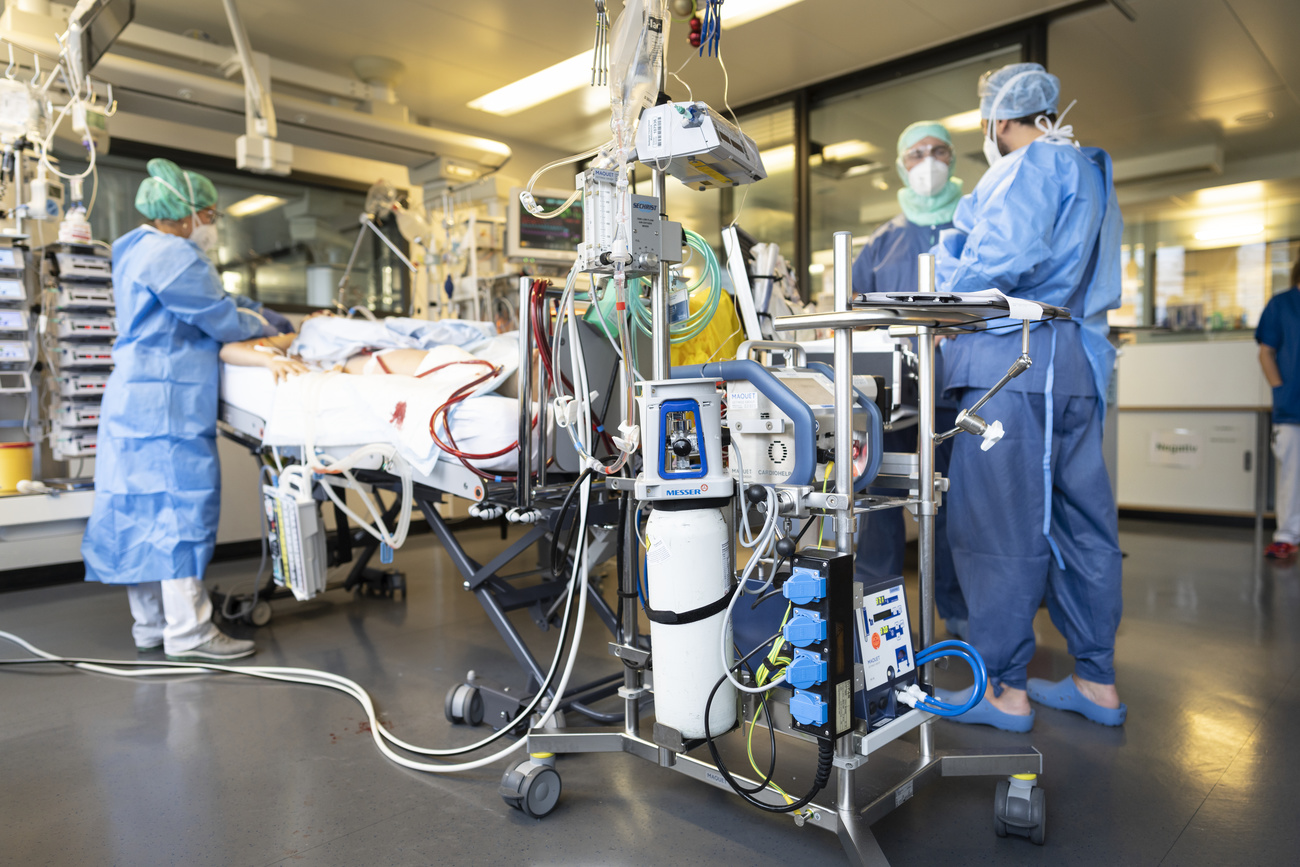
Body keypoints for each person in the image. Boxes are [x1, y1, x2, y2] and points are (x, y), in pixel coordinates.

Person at [931, 63, 1126, 730]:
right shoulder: (1090, 167)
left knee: (997, 526)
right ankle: (1097, 679)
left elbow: (995, 260)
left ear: (1000, 121)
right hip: (1071, 359)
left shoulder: (1030, 165)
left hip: (1014, 361)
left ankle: (1003, 689)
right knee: (1082, 523)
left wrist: (943, 294)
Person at [81, 159, 275, 662]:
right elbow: (222, 318)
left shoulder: (133, 249)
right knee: (178, 512)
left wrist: (251, 310)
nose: (210, 225)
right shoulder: (176, 255)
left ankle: (150, 625)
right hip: (165, 405)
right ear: (183, 214)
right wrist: (271, 323)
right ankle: (189, 632)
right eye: (208, 214)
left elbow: (208, 304)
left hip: (130, 401)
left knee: (136, 508)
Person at [852, 121, 967, 638]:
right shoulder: (880, 245)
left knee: (956, 507)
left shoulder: (974, 229)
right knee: (880, 507)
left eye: (938, 151)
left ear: (953, 158)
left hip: (958, 393)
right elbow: (853, 318)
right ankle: (878, 617)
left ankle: (961, 613)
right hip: (893, 397)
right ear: (901, 165)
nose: (928, 161)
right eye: (916, 153)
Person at [1256, 256, 1300, 559]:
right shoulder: (1282, 305)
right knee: (1292, 474)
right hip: (1292, 406)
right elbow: (1266, 352)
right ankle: (1287, 536)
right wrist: (1281, 389)